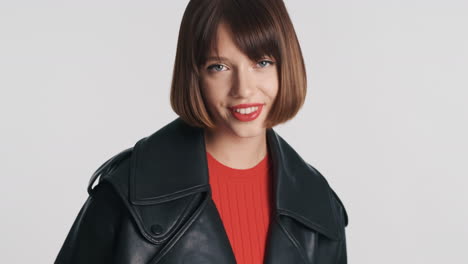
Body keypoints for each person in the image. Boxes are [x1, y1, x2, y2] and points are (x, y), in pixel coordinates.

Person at [55, 0, 349, 263]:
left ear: (286, 67)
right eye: (219, 67)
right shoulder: (127, 193)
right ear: (194, 74)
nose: (244, 89)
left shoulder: (319, 206)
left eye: (262, 62)